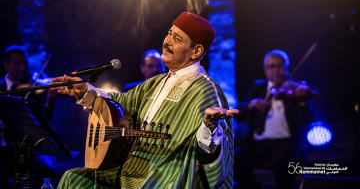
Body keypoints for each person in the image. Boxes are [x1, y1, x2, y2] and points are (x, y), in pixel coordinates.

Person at [52, 12, 238, 188]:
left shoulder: (205, 90)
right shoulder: (156, 82)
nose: (167, 41)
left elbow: (218, 157)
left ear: (196, 51)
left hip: (165, 177)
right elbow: (122, 104)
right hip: (132, 169)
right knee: (74, 179)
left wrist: (208, 129)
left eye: (177, 38)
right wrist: (86, 91)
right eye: (169, 34)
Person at [233, 49, 313, 189]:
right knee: (234, 159)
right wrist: (251, 104)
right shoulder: (258, 86)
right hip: (258, 143)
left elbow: (307, 119)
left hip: (286, 143)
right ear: (265, 70)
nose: (276, 70)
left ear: (286, 68)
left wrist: (302, 102)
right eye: (272, 66)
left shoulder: (294, 88)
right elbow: (239, 115)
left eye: (280, 66)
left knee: (283, 163)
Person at [0, 45, 57, 189]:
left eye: (25, 63)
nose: (22, 67)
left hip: (29, 148)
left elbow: (45, 121)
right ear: (6, 65)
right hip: (4, 149)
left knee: (46, 167)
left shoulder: (33, 87)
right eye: (17, 63)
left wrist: (51, 100)